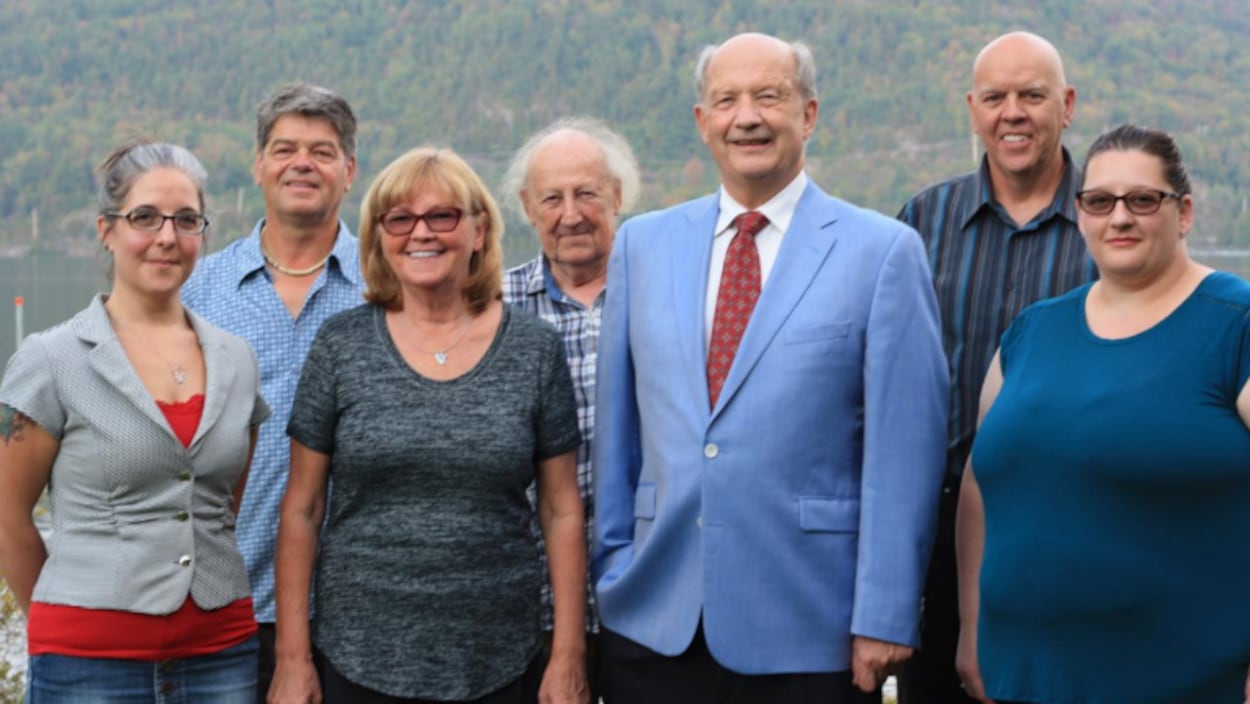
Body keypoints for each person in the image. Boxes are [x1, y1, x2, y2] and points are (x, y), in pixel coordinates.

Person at [592, 32, 949, 704]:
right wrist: (613, 573)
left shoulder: (882, 253)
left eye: (769, 97)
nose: (747, 117)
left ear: (808, 114)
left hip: (811, 628)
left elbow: (905, 456)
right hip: (654, 623)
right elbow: (618, 439)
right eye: (727, 100)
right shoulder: (642, 246)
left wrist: (885, 613)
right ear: (703, 122)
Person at [268, 147, 588, 704]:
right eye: (400, 219)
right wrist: (292, 659)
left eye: (442, 216)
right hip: (357, 658)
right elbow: (302, 508)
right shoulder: (341, 346)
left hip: (499, 659)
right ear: (379, 237)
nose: (421, 233)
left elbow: (561, 510)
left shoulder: (535, 349)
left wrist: (568, 655)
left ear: (479, 231)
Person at [958, 124, 1250, 703]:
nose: (1119, 218)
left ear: (1184, 212)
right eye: (1099, 201)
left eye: (1142, 200)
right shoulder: (1031, 332)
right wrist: (972, 628)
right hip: (1023, 677)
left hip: (1184, 683)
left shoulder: (1234, 325)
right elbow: (977, 488)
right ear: (1080, 213)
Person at [0, 141, 269, 702]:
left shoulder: (238, 362)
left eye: (186, 219)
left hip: (222, 658)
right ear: (107, 230)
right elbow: (7, 518)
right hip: (86, 666)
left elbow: (219, 508)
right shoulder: (50, 360)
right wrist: (55, 625)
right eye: (145, 217)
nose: (167, 236)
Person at [894, 31, 1096, 704]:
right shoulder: (922, 220)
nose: (1013, 113)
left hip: (1074, 518)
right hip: (936, 526)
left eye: (1032, 95)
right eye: (995, 98)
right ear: (972, 109)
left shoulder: (1110, 219)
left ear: (1067, 105)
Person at [181, 82, 362, 700]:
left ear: (349, 170)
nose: (302, 163)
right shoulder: (198, 291)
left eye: (322, 151)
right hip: (224, 601)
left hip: (357, 611)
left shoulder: (388, 288)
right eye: (285, 149)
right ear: (258, 165)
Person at [501, 115, 641, 700]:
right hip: (527, 605)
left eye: (587, 194)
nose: (571, 214)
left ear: (617, 196)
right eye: (552, 199)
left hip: (647, 597)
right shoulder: (492, 310)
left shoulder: (662, 294)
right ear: (527, 209)